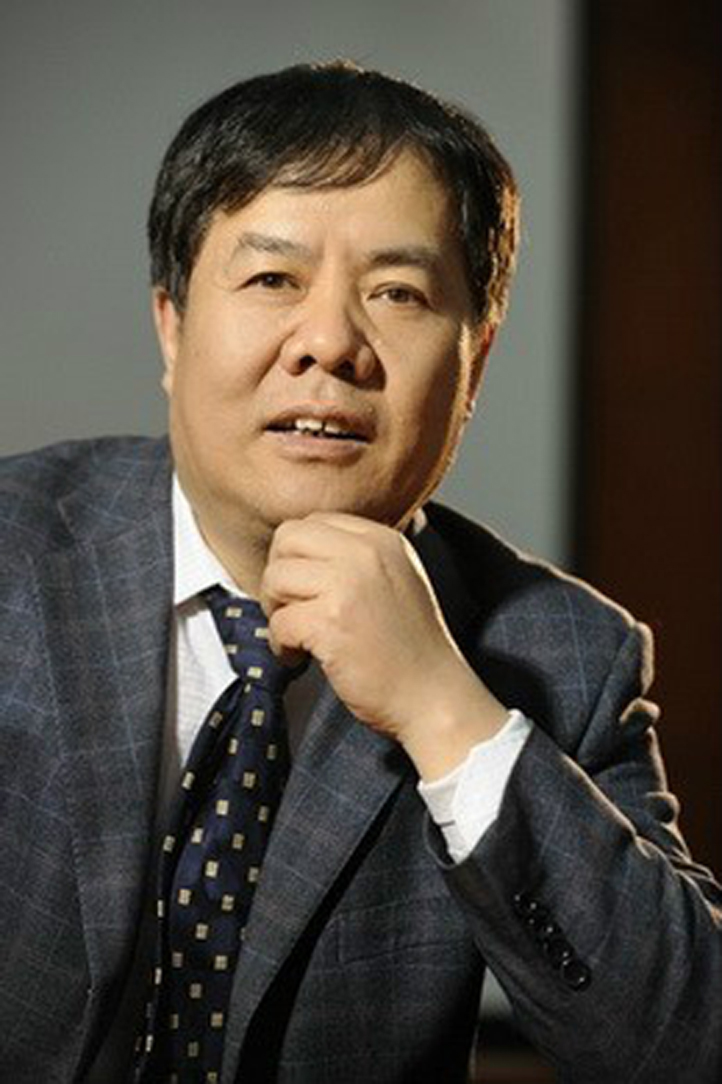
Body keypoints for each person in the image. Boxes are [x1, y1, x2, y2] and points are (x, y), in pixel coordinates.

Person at [0, 60, 719, 1084]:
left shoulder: (562, 655)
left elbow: (687, 1045)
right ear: (171, 323)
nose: (331, 343)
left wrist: (442, 707)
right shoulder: (14, 552)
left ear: (475, 359)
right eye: (272, 280)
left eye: (397, 293)